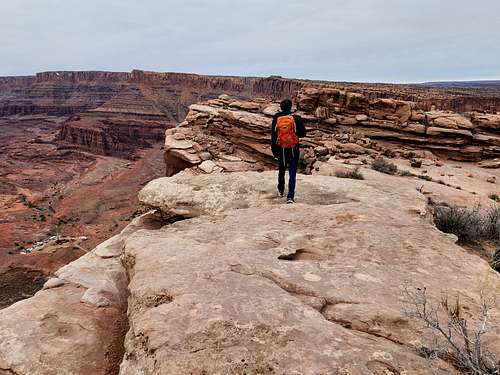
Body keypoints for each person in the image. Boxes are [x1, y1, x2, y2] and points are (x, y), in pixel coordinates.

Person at [271, 99, 306, 204]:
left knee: (281, 170)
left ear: (281, 107)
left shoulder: (277, 118)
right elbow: (303, 133)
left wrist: (274, 150)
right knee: (292, 173)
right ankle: (290, 197)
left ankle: (281, 190)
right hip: (293, 149)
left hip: (281, 149)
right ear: (291, 107)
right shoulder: (296, 118)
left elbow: (273, 135)